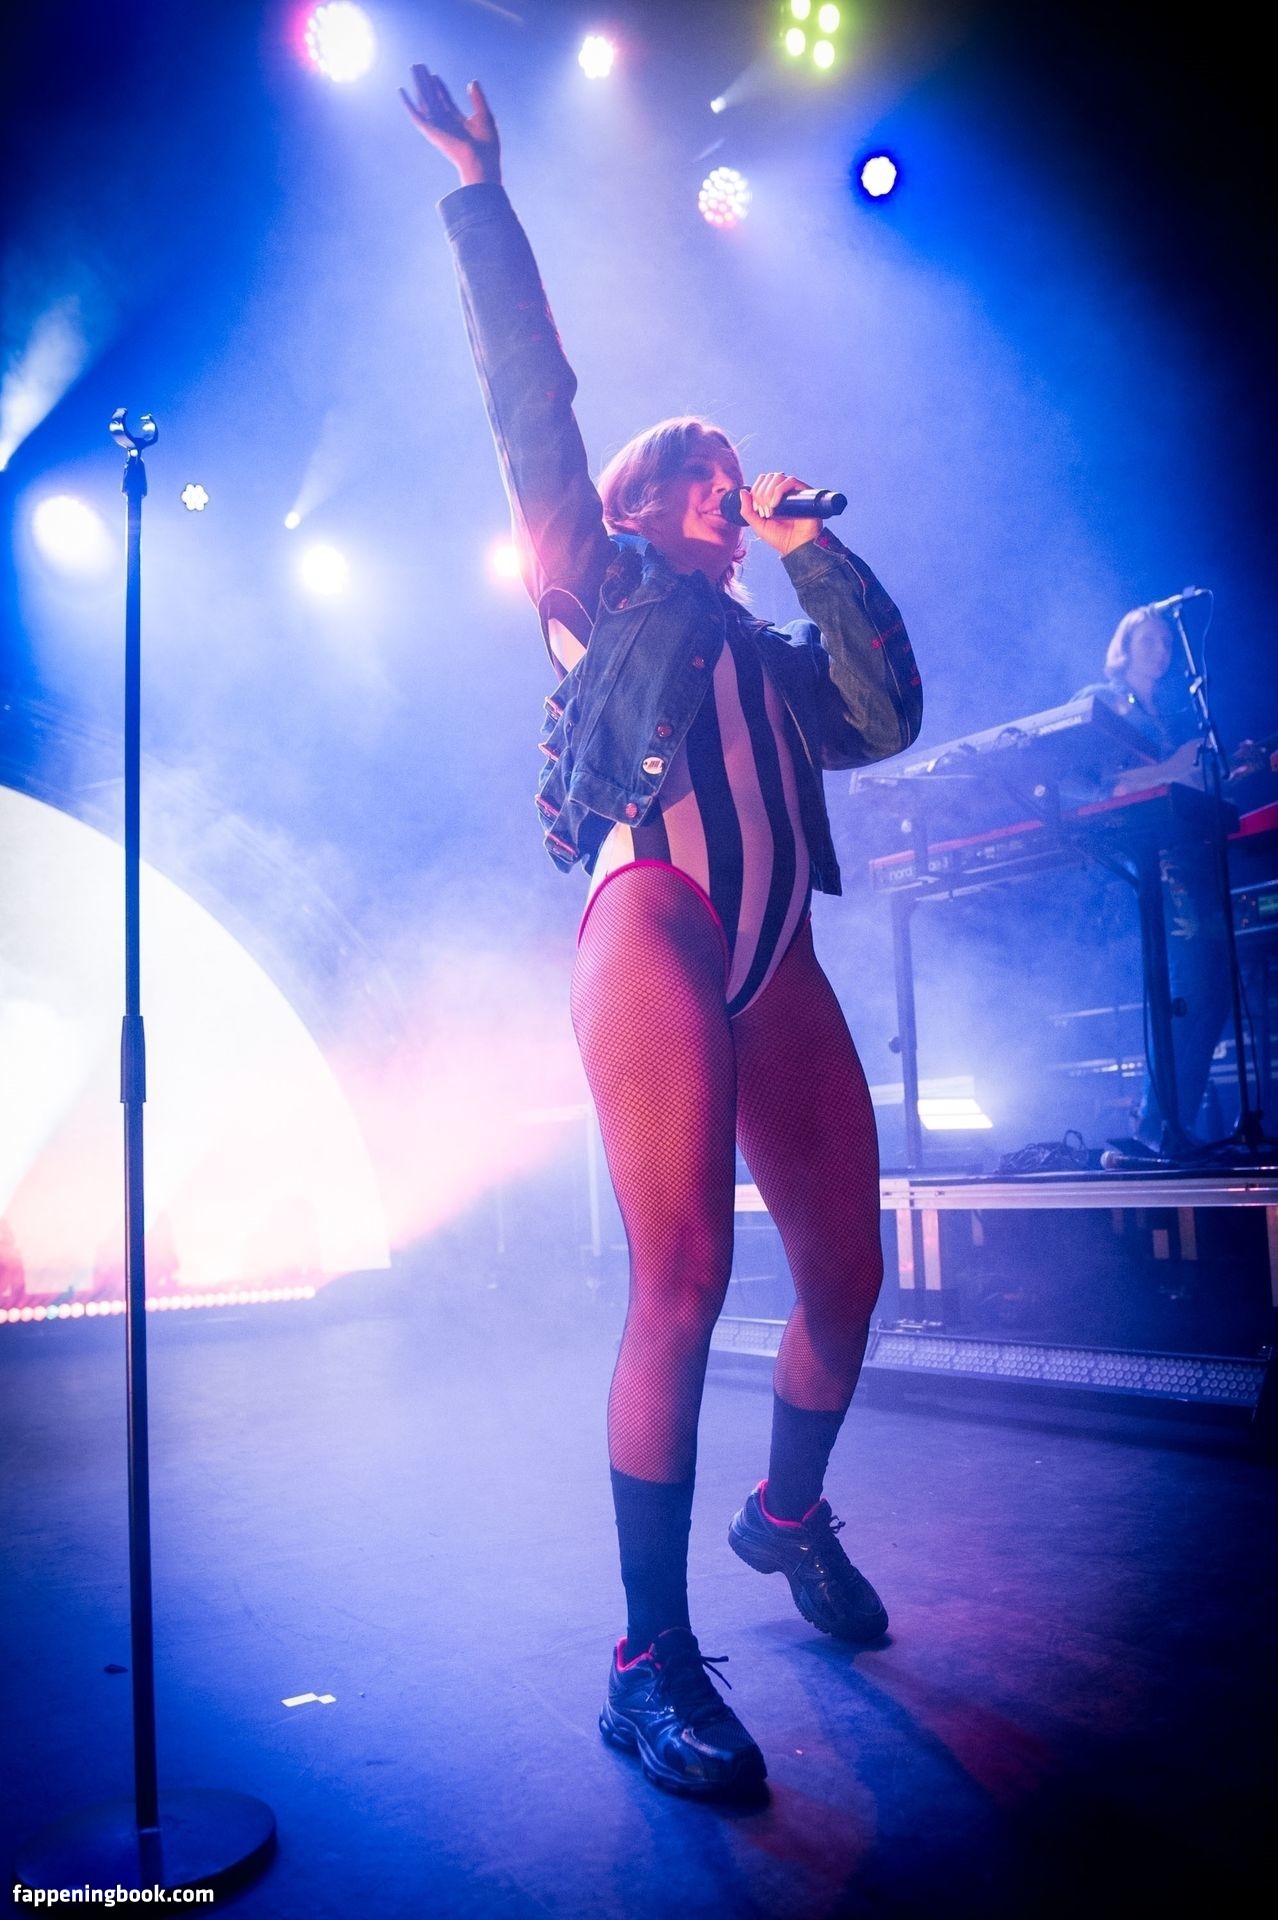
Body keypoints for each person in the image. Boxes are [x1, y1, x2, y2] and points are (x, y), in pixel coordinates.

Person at [404, 66, 923, 1798]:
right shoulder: (595, 582)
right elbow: (528, 400)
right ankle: (647, 1662)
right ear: (630, 508)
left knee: (847, 1278)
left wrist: (803, 551)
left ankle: (787, 1518)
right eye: (692, 473)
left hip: (778, 961)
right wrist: (479, 191)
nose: (720, 481)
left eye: (727, 471)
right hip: (659, 927)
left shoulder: (772, 652)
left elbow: (888, 711)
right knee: (685, 1276)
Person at [1075, 605, 1231, 1150]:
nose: (1161, 651)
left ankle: (1176, 1123)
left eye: (1167, 642)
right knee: (1184, 984)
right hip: (1150, 861)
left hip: (1192, 855)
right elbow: (1106, 786)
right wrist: (1175, 768)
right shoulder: (1102, 701)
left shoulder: (1173, 713)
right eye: (1150, 640)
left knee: (1214, 989)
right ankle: (1155, 1124)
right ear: (1124, 646)